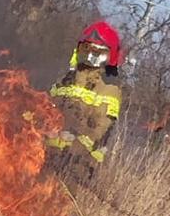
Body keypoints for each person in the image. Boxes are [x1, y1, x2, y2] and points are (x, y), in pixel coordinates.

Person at [45, 21, 124, 172]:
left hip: (77, 167)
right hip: (45, 154)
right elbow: (47, 109)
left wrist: (69, 147)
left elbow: (96, 133)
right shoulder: (65, 80)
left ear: (109, 56)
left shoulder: (109, 90)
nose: (89, 56)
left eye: (96, 52)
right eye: (85, 48)